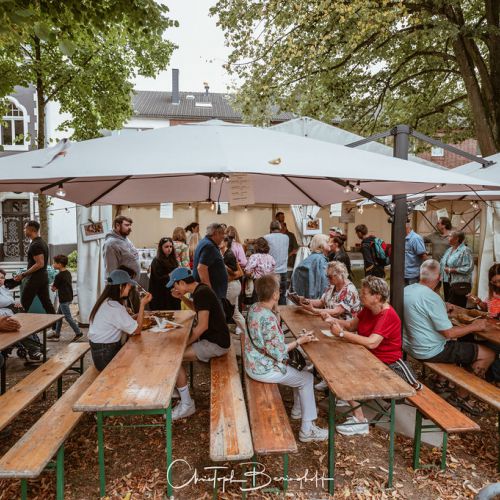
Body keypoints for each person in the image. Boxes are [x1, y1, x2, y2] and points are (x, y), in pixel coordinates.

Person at [323, 276, 421, 435]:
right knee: (336, 363)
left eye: (364, 293)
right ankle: (349, 399)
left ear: (377, 297)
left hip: (387, 366)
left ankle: (360, 421)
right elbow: (351, 325)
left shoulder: (387, 315)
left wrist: (341, 334)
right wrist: (332, 319)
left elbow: (372, 343)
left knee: (344, 372)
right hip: (369, 358)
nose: (360, 295)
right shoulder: (369, 309)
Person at [244, 274, 328, 442]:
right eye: (278, 291)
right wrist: (299, 341)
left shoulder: (255, 307)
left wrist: (276, 311)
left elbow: (270, 340)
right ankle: (307, 430)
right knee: (307, 378)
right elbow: (278, 351)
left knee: (300, 370)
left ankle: (298, 409)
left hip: (253, 361)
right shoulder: (267, 318)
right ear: (275, 295)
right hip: (263, 368)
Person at [403, 260, 494, 412]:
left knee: (457, 343)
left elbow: (422, 313)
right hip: (428, 351)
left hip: (409, 346)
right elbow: (449, 332)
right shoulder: (432, 297)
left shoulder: (407, 290)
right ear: (439, 278)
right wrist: (476, 326)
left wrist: (442, 308)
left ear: (420, 274)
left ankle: (441, 382)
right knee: (488, 354)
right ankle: (461, 397)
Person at [168, 268, 231, 420]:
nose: (175, 289)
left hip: (216, 344)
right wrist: (182, 298)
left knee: (174, 358)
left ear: (182, 283)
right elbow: (198, 309)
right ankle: (180, 391)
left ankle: (187, 404)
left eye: (175, 285)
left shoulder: (201, 293)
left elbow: (202, 327)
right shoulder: (200, 290)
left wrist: (183, 344)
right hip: (216, 339)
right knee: (175, 353)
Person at [88, 269, 152, 371]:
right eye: (128, 284)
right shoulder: (114, 307)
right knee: (140, 358)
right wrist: (142, 305)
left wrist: (137, 315)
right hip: (106, 356)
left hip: (99, 353)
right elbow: (137, 330)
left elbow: (119, 322)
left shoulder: (106, 301)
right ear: (120, 286)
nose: (130, 287)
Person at [14, 220, 57, 315]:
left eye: (25, 228)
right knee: (46, 303)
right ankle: (56, 323)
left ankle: (20, 323)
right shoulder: (41, 242)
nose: (24, 230)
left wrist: (23, 274)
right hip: (42, 277)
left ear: (31, 230)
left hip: (35, 278)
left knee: (24, 302)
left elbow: (40, 263)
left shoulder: (36, 244)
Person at [0, 269, 42, 361]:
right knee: (19, 328)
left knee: (29, 326)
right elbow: (4, 302)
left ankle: (37, 346)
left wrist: (16, 303)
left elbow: (9, 300)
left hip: (12, 313)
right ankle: (34, 350)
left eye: (2, 278)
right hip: (3, 317)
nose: (0, 280)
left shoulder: (3, 288)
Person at [48, 255, 82, 342]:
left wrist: (51, 286)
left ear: (59, 264)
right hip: (69, 297)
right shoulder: (68, 273)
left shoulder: (58, 276)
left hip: (63, 299)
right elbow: (64, 284)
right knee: (59, 316)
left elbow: (53, 289)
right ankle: (57, 334)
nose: (53, 264)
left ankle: (78, 332)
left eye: (54, 263)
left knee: (67, 317)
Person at [192, 223, 228, 303]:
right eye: (222, 234)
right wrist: (209, 292)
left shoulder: (204, 242)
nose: (223, 237)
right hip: (213, 293)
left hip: (211, 292)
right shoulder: (209, 246)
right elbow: (201, 268)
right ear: (215, 233)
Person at [440, 230, 474, 307]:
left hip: (459, 283)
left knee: (458, 306)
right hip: (447, 281)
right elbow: (443, 263)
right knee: (449, 306)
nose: (448, 237)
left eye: (450, 236)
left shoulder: (465, 250)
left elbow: (469, 268)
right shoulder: (449, 250)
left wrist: (452, 270)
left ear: (457, 239)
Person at [220, 236, 246, 335]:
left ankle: (223, 335)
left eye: (221, 240)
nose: (219, 242)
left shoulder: (229, 254)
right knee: (235, 313)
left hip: (232, 286)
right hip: (233, 285)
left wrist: (223, 265)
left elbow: (236, 273)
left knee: (224, 311)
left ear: (226, 242)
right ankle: (248, 332)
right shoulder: (225, 254)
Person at [291, 234, 329, 299]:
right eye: (327, 242)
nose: (330, 244)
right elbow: (324, 283)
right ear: (321, 245)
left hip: (306, 298)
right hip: (316, 300)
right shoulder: (320, 260)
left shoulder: (310, 258)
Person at [148, 237, 180, 311]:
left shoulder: (173, 260)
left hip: (172, 292)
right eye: (166, 247)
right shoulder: (156, 261)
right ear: (161, 248)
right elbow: (157, 279)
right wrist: (170, 275)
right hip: (160, 294)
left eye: (171, 246)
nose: (169, 249)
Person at [264, 221, 289, 305]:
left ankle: (271, 313)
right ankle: (282, 313)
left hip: (271, 271)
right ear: (280, 228)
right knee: (282, 295)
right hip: (283, 271)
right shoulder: (286, 237)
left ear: (270, 228)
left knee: (270, 296)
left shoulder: (266, 237)